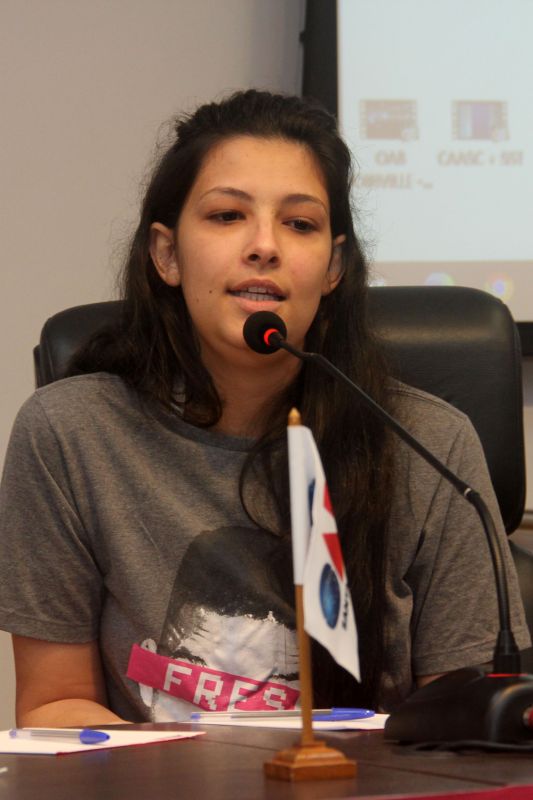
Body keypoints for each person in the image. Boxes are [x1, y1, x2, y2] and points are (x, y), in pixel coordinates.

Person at [0, 90, 528, 726]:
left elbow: (466, 723)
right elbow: (55, 704)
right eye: (227, 216)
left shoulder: (431, 444)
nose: (264, 246)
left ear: (333, 267)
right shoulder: (70, 434)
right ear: (167, 254)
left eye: (299, 224)